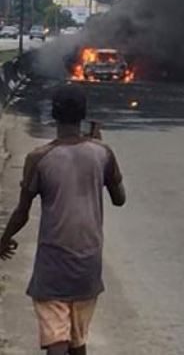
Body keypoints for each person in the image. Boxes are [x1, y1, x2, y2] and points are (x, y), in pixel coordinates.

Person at [0, 84, 126, 355]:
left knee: (57, 340)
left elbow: (22, 212)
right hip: (88, 266)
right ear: (84, 114)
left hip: (53, 266)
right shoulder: (103, 153)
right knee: (78, 341)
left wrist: (4, 238)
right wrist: (101, 149)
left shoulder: (39, 158)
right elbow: (120, 198)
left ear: (53, 114)